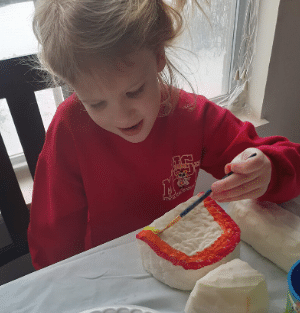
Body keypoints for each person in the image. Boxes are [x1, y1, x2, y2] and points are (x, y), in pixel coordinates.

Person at [28, 0, 300, 270]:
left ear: (159, 56)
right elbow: (52, 239)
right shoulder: (70, 127)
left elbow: (286, 160)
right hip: (106, 267)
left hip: (177, 256)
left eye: (134, 91)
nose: (122, 116)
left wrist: (267, 169)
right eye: (96, 104)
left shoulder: (194, 116)